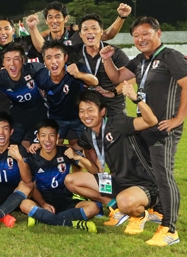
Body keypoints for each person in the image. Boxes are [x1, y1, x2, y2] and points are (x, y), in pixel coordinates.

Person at [99, 16, 187, 246]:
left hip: (163, 129)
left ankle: (169, 230)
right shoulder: (142, 60)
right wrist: (106, 60)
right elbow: (118, 77)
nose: (141, 39)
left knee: (164, 177)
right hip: (146, 126)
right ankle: (160, 212)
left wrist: (177, 119)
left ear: (158, 33)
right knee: (153, 173)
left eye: (146, 33)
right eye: (136, 35)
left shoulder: (170, 56)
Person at [65, 89, 162, 241]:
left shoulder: (118, 123)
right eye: (82, 111)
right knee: (71, 180)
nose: (86, 115)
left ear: (102, 111)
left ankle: (140, 216)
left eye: (91, 110)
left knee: (126, 201)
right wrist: (47, 144)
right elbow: (88, 162)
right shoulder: (89, 134)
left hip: (145, 184)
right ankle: (115, 207)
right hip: (118, 182)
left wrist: (136, 100)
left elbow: (151, 121)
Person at [19, 120, 100, 232]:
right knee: (24, 204)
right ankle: (71, 222)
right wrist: (43, 204)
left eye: (51, 135)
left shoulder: (65, 152)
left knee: (93, 207)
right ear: (37, 137)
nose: (47, 140)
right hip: (42, 201)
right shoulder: (32, 157)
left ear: (57, 137)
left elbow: (94, 170)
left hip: (65, 199)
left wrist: (78, 157)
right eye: (43, 135)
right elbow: (32, 185)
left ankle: (42, 218)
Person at [66, 14, 133, 116]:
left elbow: (131, 78)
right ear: (80, 34)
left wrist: (113, 92)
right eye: (85, 29)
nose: (90, 32)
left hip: (113, 108)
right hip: (86, 110)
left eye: (94, 28)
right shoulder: (73, 53)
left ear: (101, 31)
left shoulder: (115, 52)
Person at [33, 39, 98, 144]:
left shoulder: (76, 69)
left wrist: (79, 75)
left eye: (57, 56)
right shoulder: (41, 76)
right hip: (56, 118)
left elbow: (94, 82)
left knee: (88, 147)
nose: (53, 61)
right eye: (49, 58)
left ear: (65, 58)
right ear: (44, 60)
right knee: (53, 147)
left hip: (80, 117)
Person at [0, 42, 48, 146]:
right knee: (9, 146)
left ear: (23, 60)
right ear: (3, 63)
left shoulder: (34, 69)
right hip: (18, 116)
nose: (12, 63)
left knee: (40, 148)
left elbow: (52, 79)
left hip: (40, 114)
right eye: (8, 59)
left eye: (16, 59)